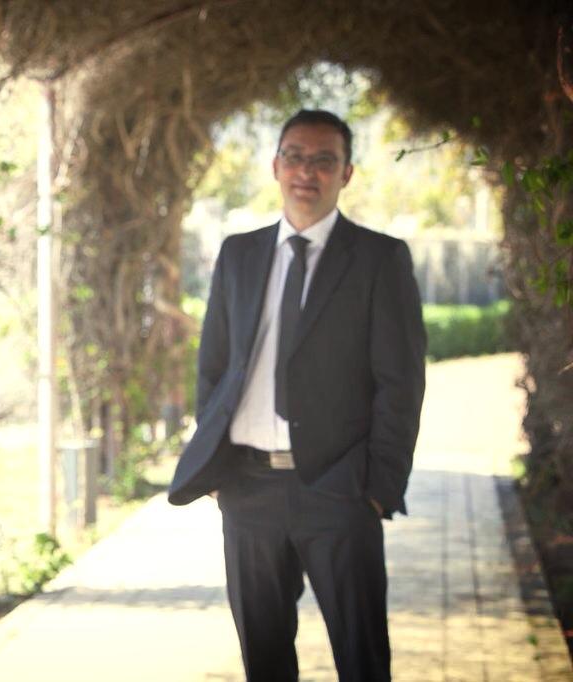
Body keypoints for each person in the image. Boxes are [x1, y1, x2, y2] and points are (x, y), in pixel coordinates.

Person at [168, 109, 426, 681]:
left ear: (347, 173)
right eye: (295, 156)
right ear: (275, 165)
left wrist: (378, 489)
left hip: (340, 490)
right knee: (264, 662)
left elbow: (400, 385)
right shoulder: (238, 254)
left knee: (362, 661)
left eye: (323, 160)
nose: (306, 170)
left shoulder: (380, 260)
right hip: (247, 491)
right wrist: (216, 469)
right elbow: (213, 368)